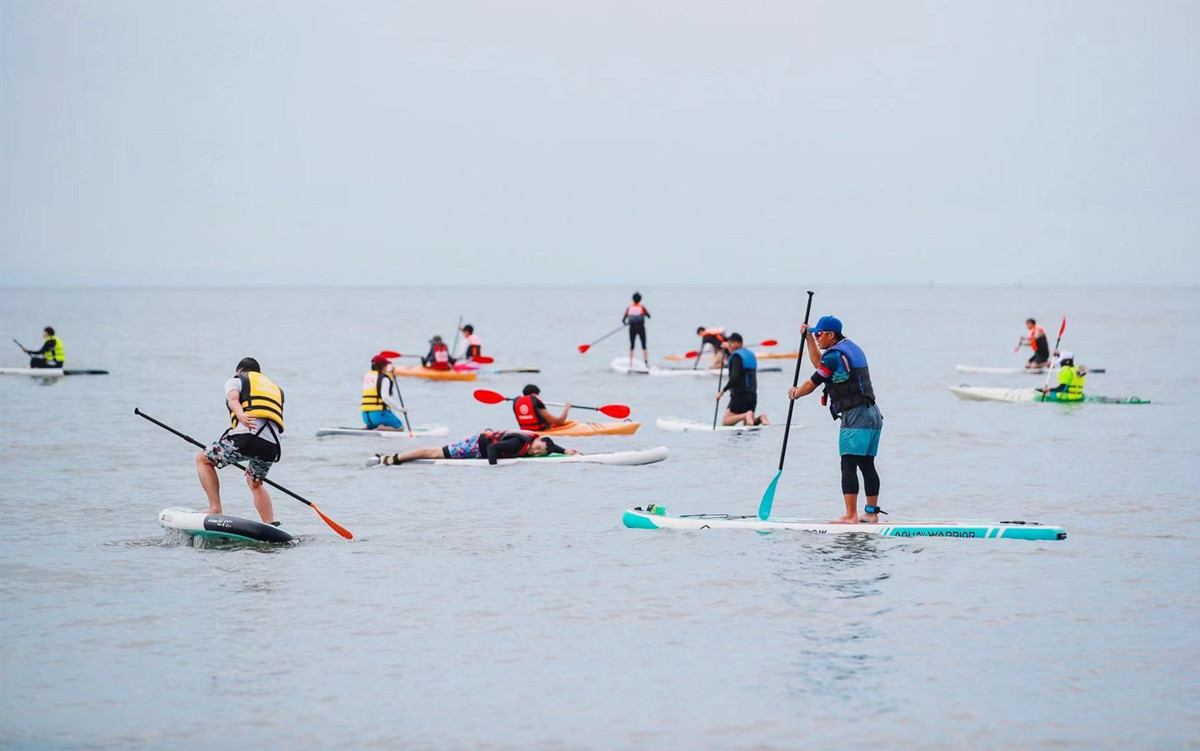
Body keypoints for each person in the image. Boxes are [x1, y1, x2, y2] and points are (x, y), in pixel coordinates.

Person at [786, 316, 884, 524]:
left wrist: (795, 393)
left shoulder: (833, 357)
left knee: (848, 463)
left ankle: (851, 516)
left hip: (855, 415)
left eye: (819, 334)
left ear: (831, 335)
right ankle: (871, 513)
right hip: (873, 414)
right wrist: (808, 338)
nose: (817, 337)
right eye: (815, 334)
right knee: (866, 464)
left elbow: (812, 383)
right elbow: (819, 364)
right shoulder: (850, 348)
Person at [196, 357, 284, 525]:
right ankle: (270, 524)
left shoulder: (236, 380)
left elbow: (233, 399)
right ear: (259, 373)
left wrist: (240, 414)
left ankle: (215, 509)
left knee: (203, 460)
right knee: (255, 482)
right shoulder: (276, 390)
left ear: (239, 371)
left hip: (247, 437)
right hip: (271, 446)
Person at [376, 430, 580, 466]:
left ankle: (395, 457)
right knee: (433, 453)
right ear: (536, 441)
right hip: (475, 446)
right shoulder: (518, 443)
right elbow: (492, 450)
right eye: (537, 449)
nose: (535, 453)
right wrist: (493, 468)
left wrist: (566, 452)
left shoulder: (540, 443)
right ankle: (393, 459)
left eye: (539, 454)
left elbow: (550, 446)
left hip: (482, 441)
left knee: (434, 452)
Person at [715, 333, 768, 426]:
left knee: (726, 421)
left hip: (740, 395)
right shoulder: (750, 354)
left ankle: (745, 415)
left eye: (732, 343)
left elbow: (735, 377)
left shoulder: (736, 357)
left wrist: (722, 391)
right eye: (729, 343)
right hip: (752, 395)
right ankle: (760, 418)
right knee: (748, 423)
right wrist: (728, 346)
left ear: (740, 343)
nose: (730, 345)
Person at [361, 353, 409, 430]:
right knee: (401, 427)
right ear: (383, 366)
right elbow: (385, 397)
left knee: (374, 422)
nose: (387, 366)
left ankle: (369, 427)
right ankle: (382, 428)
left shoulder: (366, 376)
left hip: (365, 416)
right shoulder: (384, 378)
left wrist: (388, 372)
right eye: (386, 365)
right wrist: (400, 409)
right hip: (379, 415)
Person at [623, 292, 650, 367]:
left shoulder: (629, 307)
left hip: (632, 328)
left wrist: (626, 323)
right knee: (643, 345)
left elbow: (623, 320)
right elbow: (649, 316)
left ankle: (630, 363)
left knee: (632, 345)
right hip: (641, 327)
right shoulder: (642, 307)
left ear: (633, 299)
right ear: (640, 299)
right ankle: (646, 363)